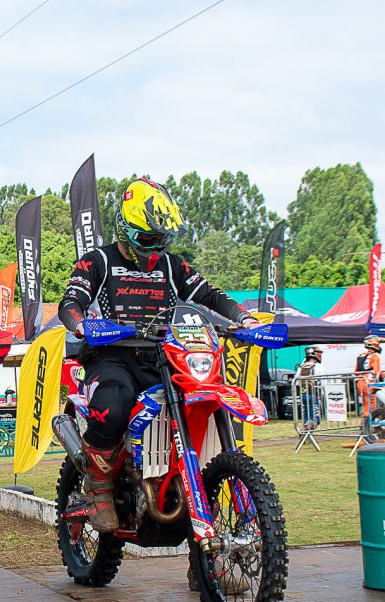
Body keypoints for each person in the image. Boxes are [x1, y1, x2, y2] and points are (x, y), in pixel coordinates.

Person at [57, 177, 259, 533]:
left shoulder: (172, 265)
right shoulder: (97, 262)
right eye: (148, 239)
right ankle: (100, 487)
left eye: (162, 239)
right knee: (114, 405)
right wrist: (80, 325)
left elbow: (209, 294)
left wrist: (244, 319)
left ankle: (196, 499)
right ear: (126, 228)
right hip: (111, 356)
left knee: (202, 400)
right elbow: (70, 302)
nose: (156, 247)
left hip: (164, 357)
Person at [296, 346, 324, 431]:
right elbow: (323, 381)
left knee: (306, 415)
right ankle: (307, 430)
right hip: (314, 394)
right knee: (316, 418)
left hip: (303, 394)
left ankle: (306, 432)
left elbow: (296, 381)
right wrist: (322, 393)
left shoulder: (301, 366)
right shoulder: (318, 366)